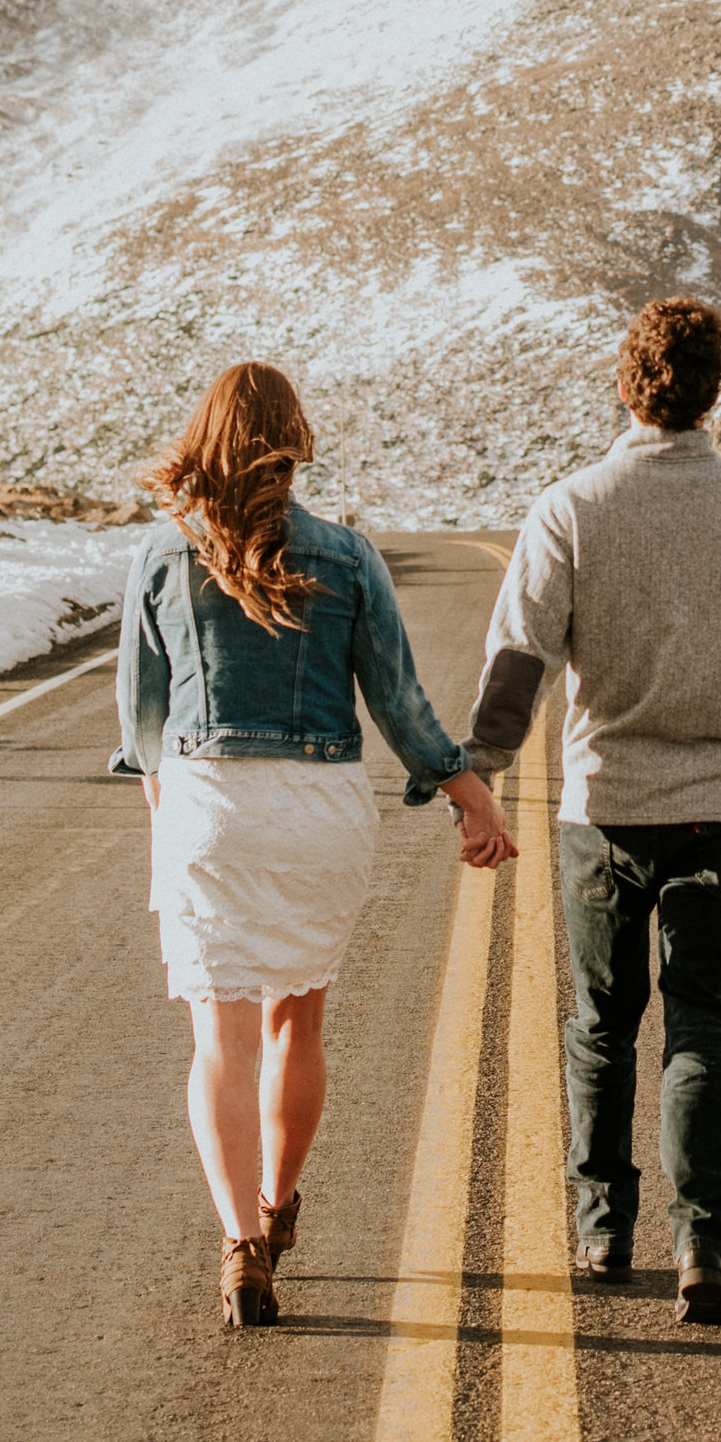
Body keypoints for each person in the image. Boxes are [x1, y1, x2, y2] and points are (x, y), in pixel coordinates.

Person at [115, 361, 515, 1329]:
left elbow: (141, 721)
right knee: (298, 1023)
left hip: (208, 802)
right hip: (317, 806)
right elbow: (399, 700)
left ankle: (239, 1245)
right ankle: (276, 1205)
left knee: (221, 1035)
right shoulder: (346, 555)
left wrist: (172, 819)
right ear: (294, 438)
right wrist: (470, 795)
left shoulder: (163, 558)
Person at [468, 296, 721, 1325]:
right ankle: (702, 1243)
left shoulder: (572, 507)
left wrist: (479, 773)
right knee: (703, 1026)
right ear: (717, 395)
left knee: (601, 1026)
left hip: (603, 810)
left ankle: (600, 1228)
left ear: (627, 387)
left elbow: (518, 663)